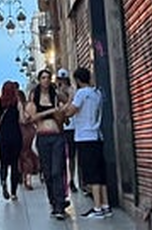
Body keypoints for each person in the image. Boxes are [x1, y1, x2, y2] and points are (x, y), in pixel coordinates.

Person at [64, 66, 112, 218]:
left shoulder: (81, 93)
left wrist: (69, 100)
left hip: (84, 137)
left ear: (77, 80)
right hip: (97, 135)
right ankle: (105, 205)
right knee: (100, 172)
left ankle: (97, 208)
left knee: (92, 173)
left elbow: (70, 111)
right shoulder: (96, 93)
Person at [26, 68, 68, 219]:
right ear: (39, 80)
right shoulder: (34, 96)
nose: (45, 80)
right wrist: (50, 112)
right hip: (42, 137)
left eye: (48, 78)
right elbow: (32, 117)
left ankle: (60, 204)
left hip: (56, 135)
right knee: (48, 173)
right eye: (43, 78)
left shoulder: (55, 94)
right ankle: (53, 201)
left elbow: (69, 101)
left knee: (57, 171)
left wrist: (62, 109)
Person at [0, 81, 23, 200]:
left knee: (3, 163)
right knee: (14, 164)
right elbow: (22, 120)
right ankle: (13, 193)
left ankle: (3, 182)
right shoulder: (17, 102)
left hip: (3, 137)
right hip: (16, 136)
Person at [56, 68, 78, 196]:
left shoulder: (72, 91)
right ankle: (65, 179)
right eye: (61, 79)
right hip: (61, 128)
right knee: (62, 157)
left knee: (72, 156)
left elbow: (72, 106)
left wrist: (68, 99)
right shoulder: (56, 92)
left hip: (72, 127)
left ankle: (72, 180)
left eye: (64, 79)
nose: (62, 82)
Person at [17, 88, 39, 189]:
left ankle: (27, 179)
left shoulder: (25, 106)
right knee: (25, 155)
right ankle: (25, 177)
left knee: (25, 155)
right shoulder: (23, 105)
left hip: (25, 132)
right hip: (25, 132)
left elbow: (25, 120)